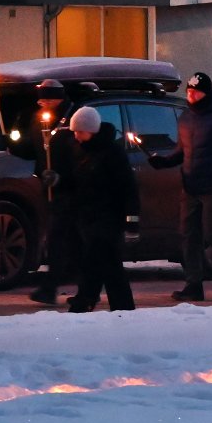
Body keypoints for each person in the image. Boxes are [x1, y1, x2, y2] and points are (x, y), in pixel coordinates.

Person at [148, 72, 212, 301]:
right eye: (189, 91)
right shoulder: (186, 118)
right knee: (189, 236)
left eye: (195, 91)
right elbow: (182, 151)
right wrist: (164, 161)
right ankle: (194, 284)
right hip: (190, 186)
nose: (191, 95)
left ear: (206, 93)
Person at [62, 106, 139, 313]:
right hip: (87, 217)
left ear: (92, 130)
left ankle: (95, 302)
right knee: (100, 262)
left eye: (80, 132)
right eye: (75, 132)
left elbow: (128, 188)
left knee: (101, 261)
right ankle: (96, 301)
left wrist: (132, 222)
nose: (76, 136)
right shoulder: (80, 150)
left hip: (109, 217)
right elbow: (75, 182)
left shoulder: (112, 153)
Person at [27, 79, 78, 305]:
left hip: (71, 191)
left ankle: (55, 288)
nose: (41, 104)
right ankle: (58, 286)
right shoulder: (39, 120)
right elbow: (36, 149)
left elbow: (77, 158)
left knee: (64, 239)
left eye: (46, 99)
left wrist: (60, 177)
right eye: (40, 100)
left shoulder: (71, 119)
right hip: (50, 189)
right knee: (60, 240)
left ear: (57, 99)